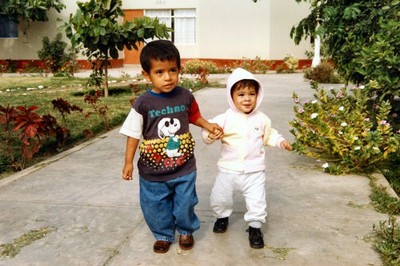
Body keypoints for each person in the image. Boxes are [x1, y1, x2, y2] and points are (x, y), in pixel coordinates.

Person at [120, 40, 223, 254]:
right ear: (146, 75)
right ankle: (163, 234)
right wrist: (128, 162)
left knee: (185, 202)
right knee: (155, 205)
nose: (168, 77)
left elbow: (193, 116)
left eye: (173, 70)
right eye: (160, 72)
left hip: (183, 166)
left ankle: (186, 230)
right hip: (152, 171)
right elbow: (133, 135)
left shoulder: (185, 96)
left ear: (179, 69)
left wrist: (208, 125)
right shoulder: (143, 103)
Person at [202, 68, 292, 249]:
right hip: (228, 170)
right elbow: (209, 128)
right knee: (220, 198)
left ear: (258, 95)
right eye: (241, 94)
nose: (247, 98)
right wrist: (210, 135)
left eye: (252, 93)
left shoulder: (262, 119)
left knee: (257, 201)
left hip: (254, 172)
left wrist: (280, 141)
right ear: (231, 96)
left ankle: (255, 227)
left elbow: (269, 135)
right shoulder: (225, 117)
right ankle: (222, 217)